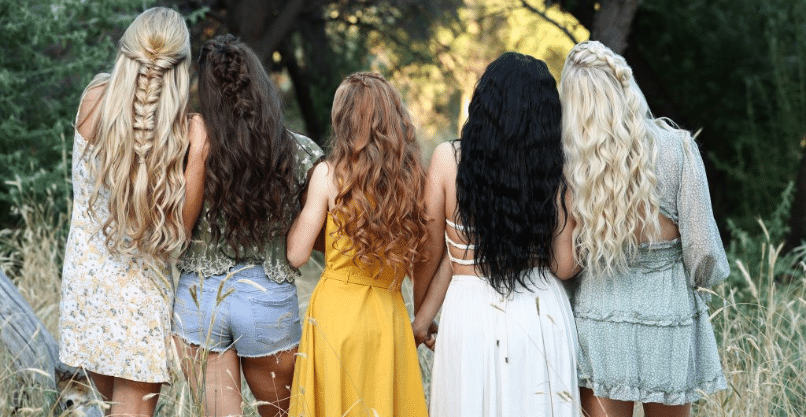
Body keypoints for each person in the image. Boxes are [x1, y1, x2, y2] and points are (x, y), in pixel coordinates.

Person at [559, 40, 729, 417]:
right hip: (668, 314)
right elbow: (703, 250)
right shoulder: (678, 149)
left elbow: (566, 263)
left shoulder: (573, 166)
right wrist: (694, 284)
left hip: (601, 315)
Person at [411, 52, 581, 417]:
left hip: (468, 315)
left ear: (484, 102)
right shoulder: (560, 170)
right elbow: (565, 266)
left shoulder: (446, 159)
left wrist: (421, 313)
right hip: (541, 314)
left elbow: (429, 251)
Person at [59, 7, 207, 415]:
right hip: (140, 300)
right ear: (179, 69)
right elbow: (179, 236)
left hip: (85, 289)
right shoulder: (186, 132)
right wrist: (198, 159)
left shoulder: (93, 100)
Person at [170, 35, 323, 417]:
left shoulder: (190, 145)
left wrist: (198, 158)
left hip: (199, 300)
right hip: (267, 301)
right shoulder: (298, 151)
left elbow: (178, 234)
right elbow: (320, 230)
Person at [285, 72, 430, 417]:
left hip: (337, 315)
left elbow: (296, 253)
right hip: (387, 316)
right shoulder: (412, 181)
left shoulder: (328, 175)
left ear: (342, 121)